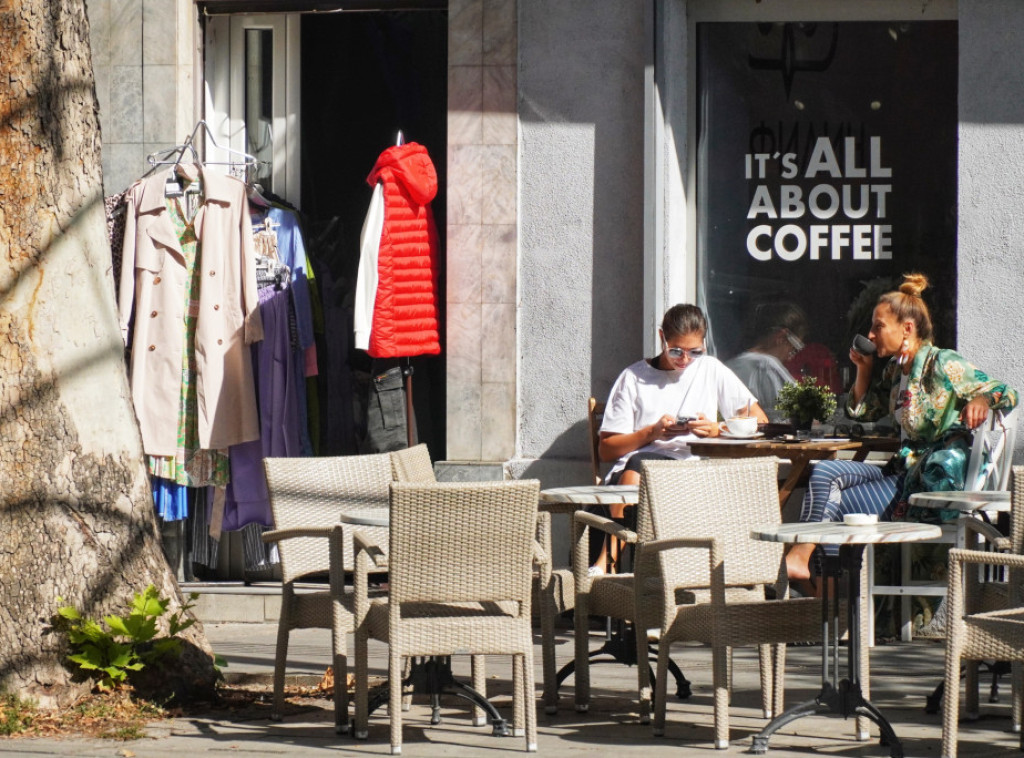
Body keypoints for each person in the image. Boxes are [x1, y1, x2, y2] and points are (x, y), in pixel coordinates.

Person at [785, 273, 1018, 586]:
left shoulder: (942, 362)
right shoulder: (897, 371)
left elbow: (1007, 392)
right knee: (825, 472)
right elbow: (863, 412)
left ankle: (823, 586)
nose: (871, 334)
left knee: (836, 505)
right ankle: (813, 571)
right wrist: (863, 371)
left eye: (878, 326)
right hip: (901, 470)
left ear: (907, 328)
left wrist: (980, 398)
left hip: (924, 481)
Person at [592, 304, 769, 573]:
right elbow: (606, 450)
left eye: (694, 352)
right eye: (676, 350)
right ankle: (607, 563)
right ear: (662, 338)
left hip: (693, 472)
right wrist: (651, 433)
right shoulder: (634, 378)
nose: (685, 360)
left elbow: (761, 421)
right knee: (641, 465)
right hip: (639, 471)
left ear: (704, 346)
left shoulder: (710, 369)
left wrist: (717, 430)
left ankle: (608, 565)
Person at [726, 302, 809, 419]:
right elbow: (802, 414)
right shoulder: (766, 366)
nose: (791, 356)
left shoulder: (730, 365)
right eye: (794, 348)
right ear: (781, 337)